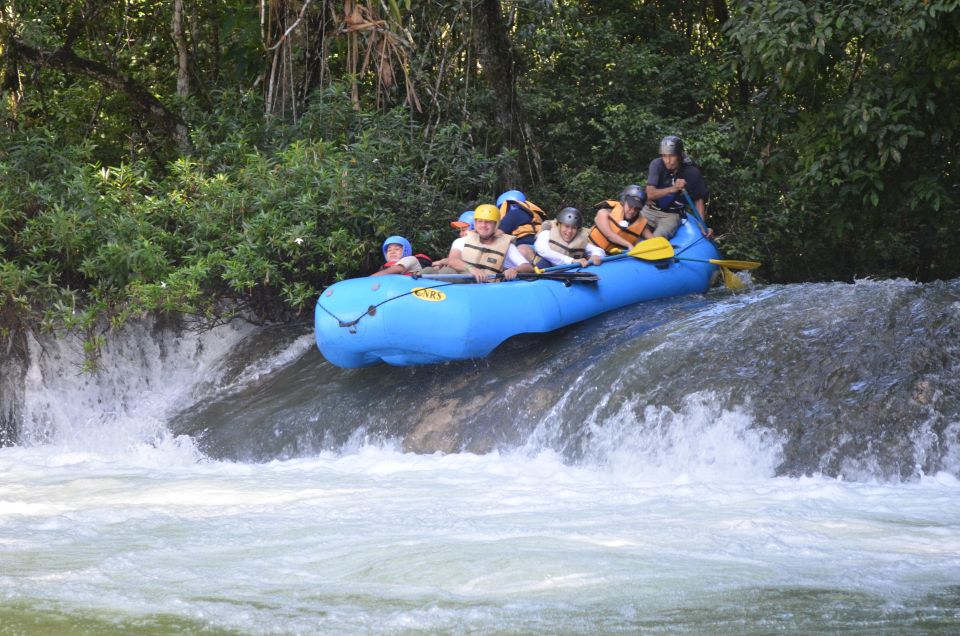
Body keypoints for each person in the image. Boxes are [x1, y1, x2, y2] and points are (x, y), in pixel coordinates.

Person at [423, 203, 533, 282]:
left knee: (446, 273)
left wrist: (514, 270)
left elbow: (528, 267)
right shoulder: (461, 241)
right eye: (480, 221)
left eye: (488, 222)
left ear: (496, 225)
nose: (483, 225)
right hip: (462, 279)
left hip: (483, 288)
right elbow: (453, 260)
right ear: (475, 224)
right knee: (428, 271)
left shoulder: (507, 247)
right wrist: (472, 269)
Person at [640, 135, 711, 238]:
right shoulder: (657, 165)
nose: (668, 160)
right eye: (664, 156)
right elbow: (649, 194)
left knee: (656, 240)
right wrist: (674, 188)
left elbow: (698, 201)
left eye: (671, 156)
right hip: (650, 209)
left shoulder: (692, 172)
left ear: (679, 155)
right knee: (630, 228)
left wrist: (702, 226)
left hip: (672, 215)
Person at [535, 207, 605, 268]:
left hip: (567, 274)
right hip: (546, 270)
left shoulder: (579, 239)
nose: (569, 231)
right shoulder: (546, 234)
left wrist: (596, 255)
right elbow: (543, 251)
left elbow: (598, 250)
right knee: (543, 262)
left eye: (574, 228)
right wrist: (572, 261)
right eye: (566, 226)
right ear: (559, 225)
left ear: (578, 229)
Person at [588, 185, 649, 253]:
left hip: (613, 258)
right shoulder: (603, 212)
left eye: (637, 209)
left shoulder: (640, 223)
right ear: (624, 201)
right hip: (591, 250)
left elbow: (653, 239)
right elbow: (609, 235)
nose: (632, 211)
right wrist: (629, 244)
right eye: (630, 206)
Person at [495, 189, 545, 262]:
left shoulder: (513, 214)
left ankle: (538, 265)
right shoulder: (533, 214)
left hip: (527, 248)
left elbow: (497, 235)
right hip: (541, 246)